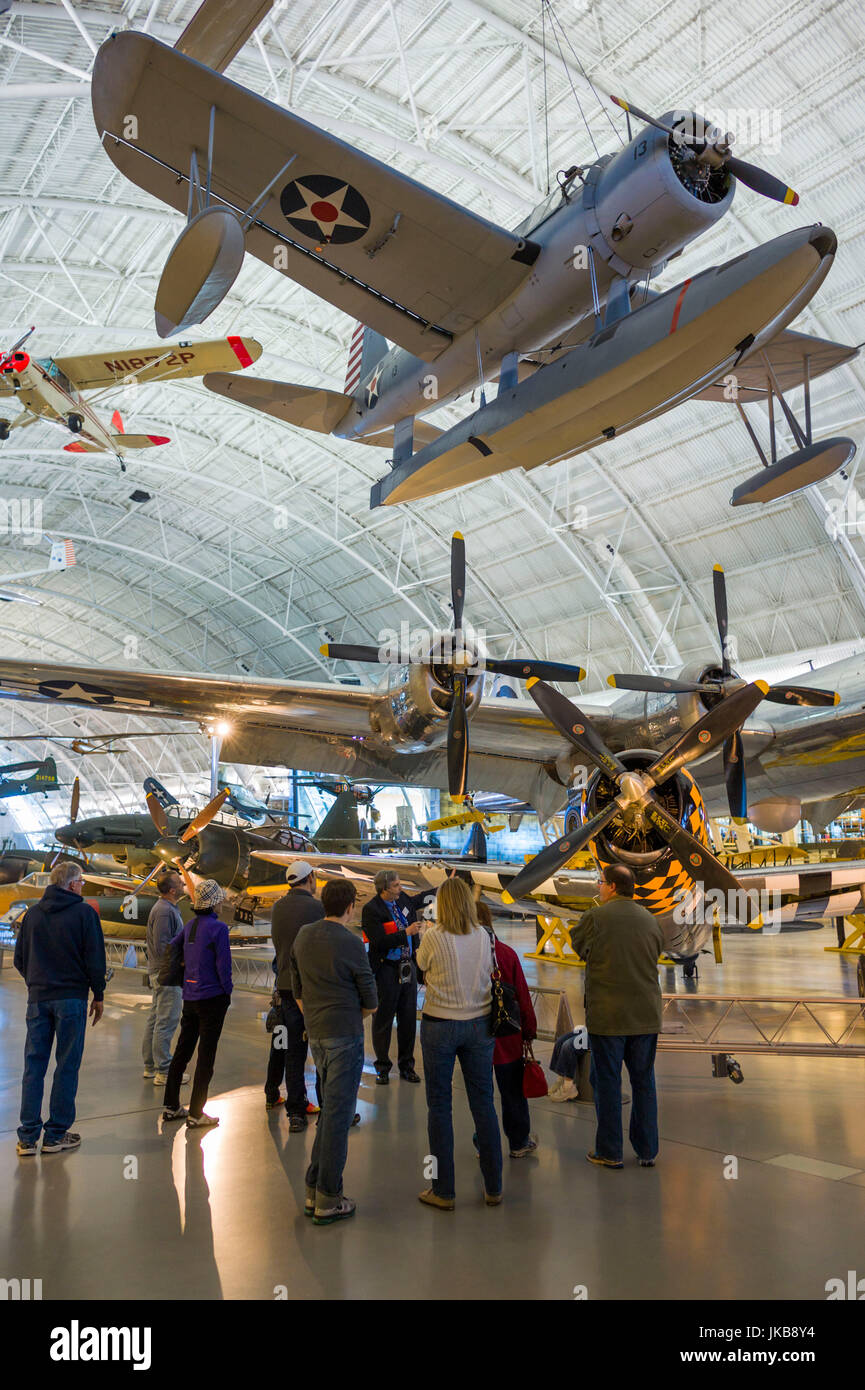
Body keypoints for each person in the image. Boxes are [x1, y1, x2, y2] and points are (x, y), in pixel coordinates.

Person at [290, 879, 377, 1225]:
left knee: (329, 1113)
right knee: (339, 1118)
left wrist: (314, 1017)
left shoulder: (303, 936)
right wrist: (351, 1018)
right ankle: (329, 1197)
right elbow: (370, 999)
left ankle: (314, 1188)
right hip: (345, 1035)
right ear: (351, 907)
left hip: (317, 1035)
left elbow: (296, 988)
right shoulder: (352, 943)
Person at [569, 863, 664, 1169]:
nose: (598, 887)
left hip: (609, 1017)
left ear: (611, 886)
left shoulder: (596, 916)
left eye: (600, 883)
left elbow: (579, 946)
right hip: (646, 1016)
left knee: (607, 1083)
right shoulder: (650, 919)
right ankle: (647, 1150)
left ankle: (610, 1151)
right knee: (644, 1082)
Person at [415, 877, 502, 1210]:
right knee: (484, 1104)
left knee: (439, 1107)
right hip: (479, 1025)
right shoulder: (485, 935)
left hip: (440, 1025)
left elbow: (421, 966)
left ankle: (444, 1190)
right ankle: (494, 1186)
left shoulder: (434, 936)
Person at [14, 860, 106, 1156]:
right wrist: (98, 993)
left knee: (34, 1066)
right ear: (70, 884)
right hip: (71, 999)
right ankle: (55, 1135)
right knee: (67, 1065)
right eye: (81, 881)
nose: (83, 886)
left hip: (38, 1000)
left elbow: (20, 958)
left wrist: (37, 981)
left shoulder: (33, 916)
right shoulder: (83, 914)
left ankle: (27, 1137)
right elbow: (94, 958)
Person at [162, 879, 233, 1129]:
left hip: (190, 997)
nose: (223, 901)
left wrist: (185, 972)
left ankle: (171, 1106)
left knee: (182, 1050)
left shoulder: (190, 925)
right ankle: (196, 1112)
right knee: (206, 1056)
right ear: (214, 902)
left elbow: (172, 948)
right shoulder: (219, 929)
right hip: (212, 998)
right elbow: (223, 967)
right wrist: (228, 992)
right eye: (220, 898)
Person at [476, 902, 538, 1158]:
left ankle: (484, 1143)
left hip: (476, 1034)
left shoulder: (465, 955)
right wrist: (529, 1030)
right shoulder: (507, 954)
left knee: (481, 1095)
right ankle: (519, 1141)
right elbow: (522, 996)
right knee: (512, 1091)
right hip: (508, 1034)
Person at [266, 860, 322, 1129]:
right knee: (323, 1048)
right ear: (310, 878)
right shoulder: (316, 907)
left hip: (285, 986)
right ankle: (330, 1106)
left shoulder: (277, 907)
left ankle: (296, 1112)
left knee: (292, 1051)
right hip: (311, 989)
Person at [361, 868, 428, 1084]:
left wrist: (443, 888)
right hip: (387, 970)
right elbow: (378, 941)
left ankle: (407, 1066)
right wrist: (405, 934)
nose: (401, 888)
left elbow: (417, 901)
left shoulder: (402, 900)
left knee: (408, 1019)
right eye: (396, 885)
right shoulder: (372, 910)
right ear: (385, 889)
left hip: (407, 967)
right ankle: (382, 1067)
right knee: (383, 1020)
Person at [142, 869, 185, 1086]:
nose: (183, 883)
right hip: (167, 973)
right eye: (179, 882)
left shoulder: (166, 909)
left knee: (157, 1018)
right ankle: (164, 1071)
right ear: (171, 889)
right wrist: (177, 965)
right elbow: (162, 945)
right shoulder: (164, 911)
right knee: (166, 1020)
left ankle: (151, 1066)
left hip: (162, 971)